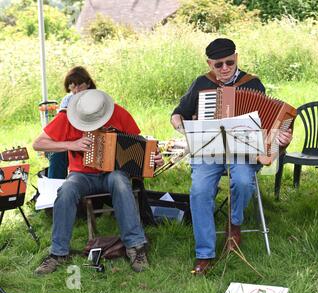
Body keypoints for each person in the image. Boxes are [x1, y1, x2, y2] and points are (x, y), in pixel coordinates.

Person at [171, 38, 292, 275]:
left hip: (243, 151)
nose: (225, 68)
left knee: (244, 181)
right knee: (200, 190)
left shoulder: (253, 84)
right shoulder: (201, 84)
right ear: (210, 64)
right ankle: (204, 253)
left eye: (229, 62)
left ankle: (233, 225)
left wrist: (279, 139)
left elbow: (267, 125)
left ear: (236, 57)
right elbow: (177, 114)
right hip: (209, 149)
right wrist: (184, 128)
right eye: (219, 65)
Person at [32, 89, 163, 274]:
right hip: (81, 175)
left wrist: (154, 158)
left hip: (113, 173)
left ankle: (135, 247)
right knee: (66, 190)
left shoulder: (118, 112)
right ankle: (57, 253)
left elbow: (140, 143)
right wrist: (71, 144)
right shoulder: (66, 117)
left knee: (120, 182)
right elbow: (38, 143)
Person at [48, 66, 96, 179]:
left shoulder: (98, 98)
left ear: (88, 84)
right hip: (73, 139)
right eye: (73, 87)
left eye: (80, 85)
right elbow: (62, 125)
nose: (77, 90)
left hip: (94, 137)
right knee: (57, 154)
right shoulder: (67, 100)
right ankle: (54, 189)